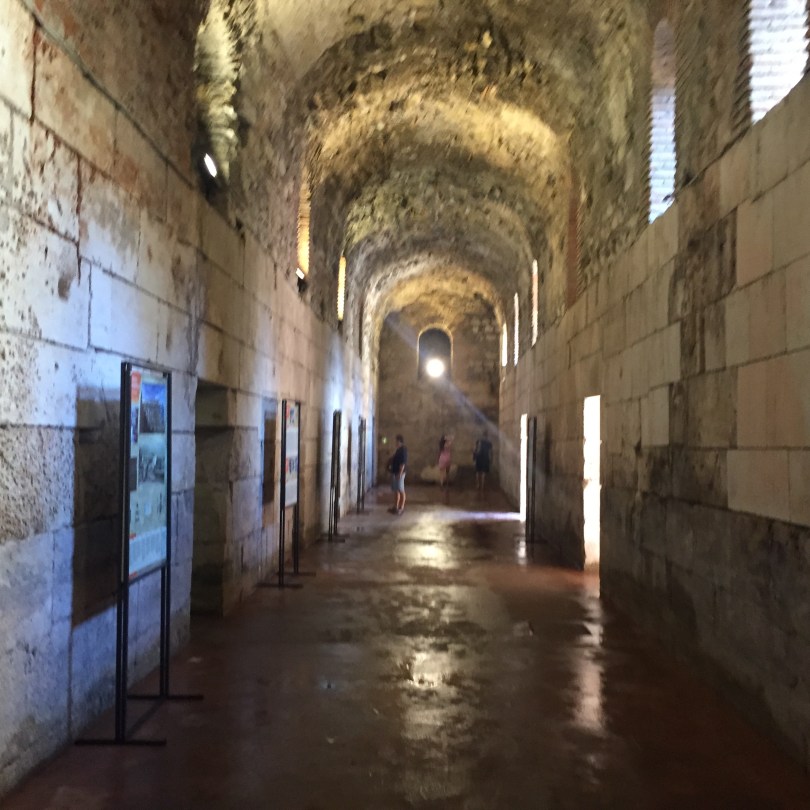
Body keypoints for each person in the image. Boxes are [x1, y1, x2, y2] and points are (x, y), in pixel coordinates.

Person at [388, 434, 407, 514]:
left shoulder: (403, 450)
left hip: (399, 473)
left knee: (401, 489)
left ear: (399, 441)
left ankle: (401, 507)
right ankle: (395, 506)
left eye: (396, 441)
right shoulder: (398, 450)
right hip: (395, 472)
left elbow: (403, 463)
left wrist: (400, 473)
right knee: (396, 490)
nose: (395, 443)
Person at [473, 429, 493, 494]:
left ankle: (478, 484)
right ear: (487, 435)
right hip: (485, 458)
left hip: (478, 457)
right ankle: (482, 485)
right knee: (483, 472)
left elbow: (474, 450)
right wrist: (491, 459)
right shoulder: (489, 443)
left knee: (478, 471)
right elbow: (491, 452)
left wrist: (474, 458)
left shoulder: (478, 441)